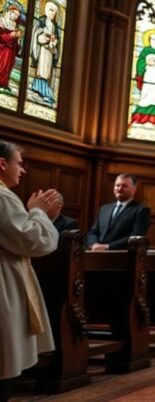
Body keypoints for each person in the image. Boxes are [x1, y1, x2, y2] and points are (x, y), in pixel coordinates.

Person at [0, 140, 61, 401]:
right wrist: (38, 212)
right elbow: (35, 241)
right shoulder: (2, 197)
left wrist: (40, 216)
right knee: (4, 365)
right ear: (2, 164)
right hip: (4, 283)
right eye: (19, 163)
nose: (22, 171)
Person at [86, 173, 150, 250]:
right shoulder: (104, 209)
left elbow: (135, 237)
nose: (119, 189)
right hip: (96, 253)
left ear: (134, 189)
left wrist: (108, 246)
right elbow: (93, 232)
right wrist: (94, 244)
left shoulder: (141, 210)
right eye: (117, 185)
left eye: (124, 186)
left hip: (121, 257)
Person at [29, 1, 61, 105]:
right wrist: (42, 38)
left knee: (48, 72)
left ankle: (43, 90)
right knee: (42, 70)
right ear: (47, 10)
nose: (53, 14)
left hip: (50, 52)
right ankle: (40, 89)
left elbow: (57, 39)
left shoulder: (55, 25)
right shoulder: (41, 21)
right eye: (51, 11)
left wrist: (54, 41)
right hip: (42, 51)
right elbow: (35, 35)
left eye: (54, 12)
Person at [0, 2, 23, 92]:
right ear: (9, 12)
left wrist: (18, 38)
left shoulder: (14, 25)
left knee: (8, 67)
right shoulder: (1, 21)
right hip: (2, 49)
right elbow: (1, 36)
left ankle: (4, 83)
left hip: (10, 51)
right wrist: (11, 35)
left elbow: (16, 44)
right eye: (14, 13)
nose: (15, 16)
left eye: (17, 15)